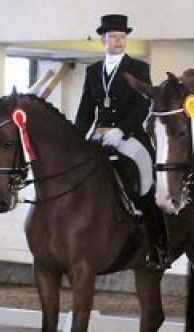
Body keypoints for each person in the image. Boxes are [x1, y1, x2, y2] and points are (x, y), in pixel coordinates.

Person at [75, 14, 171, 270]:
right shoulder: (93, 71)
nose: (119, 41)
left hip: (128, 136)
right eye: (114, 36)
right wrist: (77, 137)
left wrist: (122, 130)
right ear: (103, 39)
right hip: (99, 134)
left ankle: (159, 244)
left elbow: (143, 104)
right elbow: (86, 108)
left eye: (122, 37)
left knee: (146, 178)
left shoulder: (137, 68)